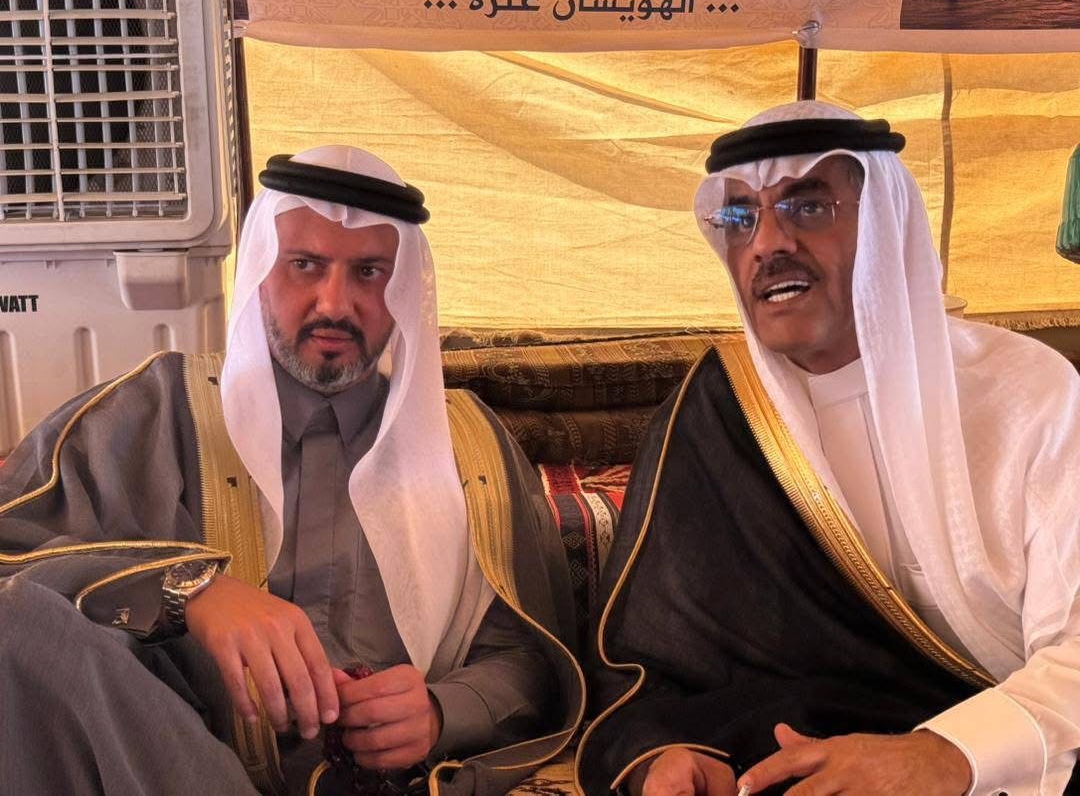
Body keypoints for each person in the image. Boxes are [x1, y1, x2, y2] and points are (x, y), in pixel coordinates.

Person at [0, 146, 582, 796]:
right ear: (259, 270)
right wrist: (188, 589)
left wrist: (440, 712)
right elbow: (11, 563)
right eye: (305, 265)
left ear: (403, 289)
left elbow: (533, 657)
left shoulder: (469, 447)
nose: (335, 303)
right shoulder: (149, 413)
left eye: (369, 272)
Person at [575, 101, 1080, 796]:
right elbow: (647, 664)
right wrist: (666, 757)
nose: (766, 243)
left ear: (885, 226)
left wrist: (941, 755)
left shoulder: (1030, 394)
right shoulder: (716, 411)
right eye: (740, 218)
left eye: (808, 207)